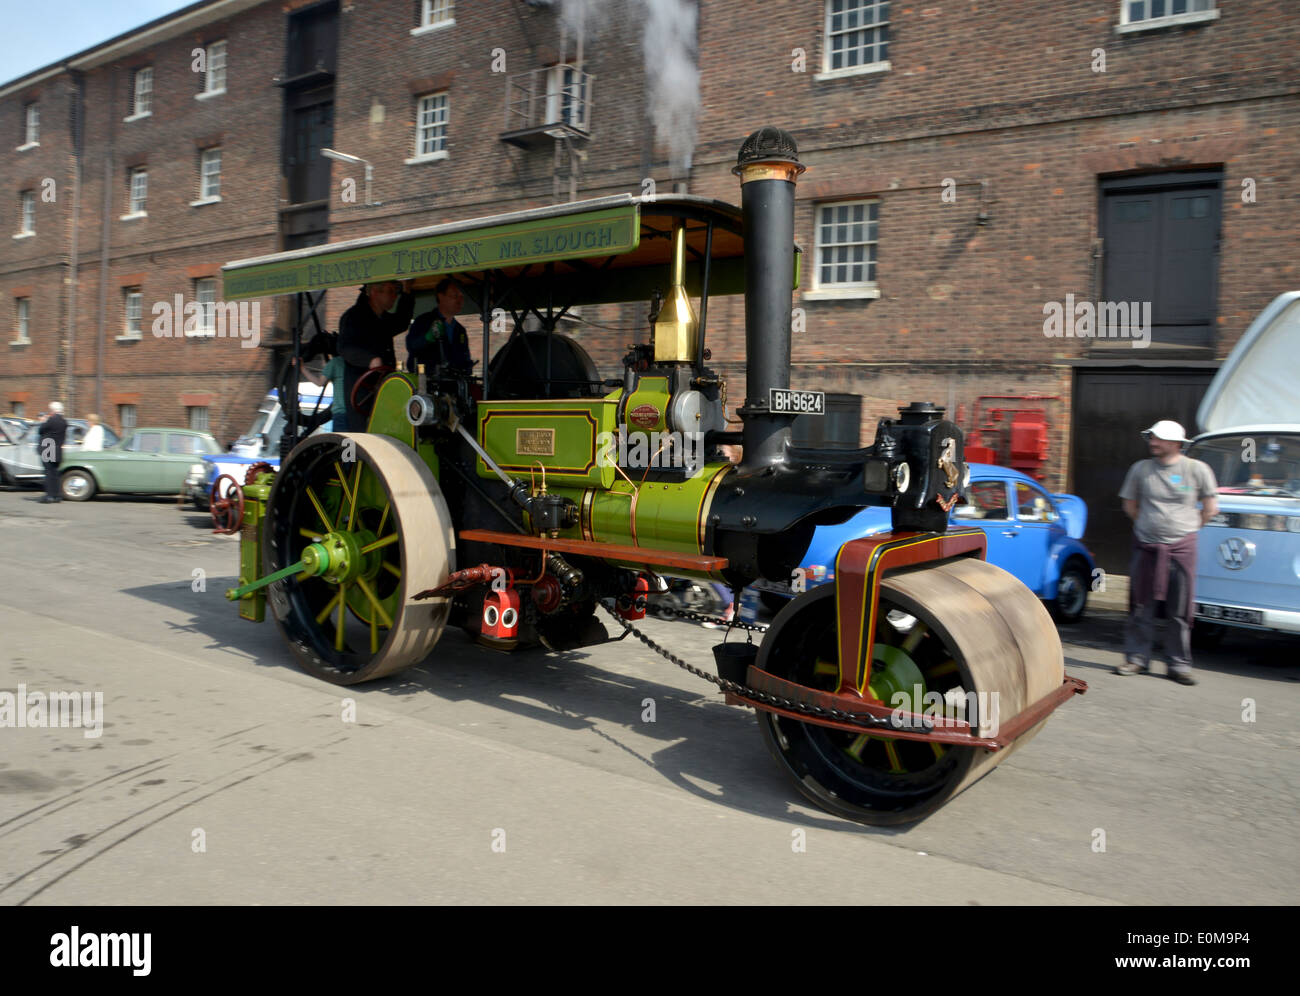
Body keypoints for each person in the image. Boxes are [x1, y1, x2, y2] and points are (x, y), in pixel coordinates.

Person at [1116, 419, 1219, 685]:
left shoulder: (1197, 470)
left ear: (1175, 444)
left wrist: (1186, 530)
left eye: (1158, 438)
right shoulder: (1140, 469)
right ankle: (1136, 659)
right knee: (1141, 605)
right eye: (1151, 437)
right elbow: (1130, 505)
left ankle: (1178, 665)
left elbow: (1210, 508)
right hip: (1146, 546)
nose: (1152, 442)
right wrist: (1148, 528)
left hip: (1183, 548)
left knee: (1180, 609)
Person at [337, 279, 415, 427]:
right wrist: (370, 360)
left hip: (383, 389)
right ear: (374, 292)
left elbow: (402, 321)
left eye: (395, 292)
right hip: (361, 393)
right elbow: (345, 347)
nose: (394, 296)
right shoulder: (353, 317)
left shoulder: (383, 319)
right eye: (390, 291)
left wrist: (407, 293)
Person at [406, 278, 473, 375]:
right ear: (441, 296)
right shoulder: (423, 321)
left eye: (461, 296)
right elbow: (411, 346)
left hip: (453, 384)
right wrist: (427, 338)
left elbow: (464, 358)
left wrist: (468, 369)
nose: (459, 300)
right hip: (427, 382)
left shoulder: (460, 330)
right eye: (455, 295)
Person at [296, 354, 350, 431]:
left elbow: (319, 382)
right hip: (358, 412)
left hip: (341, 412)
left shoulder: (335, 362)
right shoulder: (361, 362)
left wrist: (302, 368)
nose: (323, 365)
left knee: (345, 442)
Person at [37, 402, 68, 504]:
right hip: (58, 449)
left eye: (50, 410)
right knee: (55, 473)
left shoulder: (51, 420)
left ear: (53, 411)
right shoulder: (64, 422)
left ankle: (49, 496)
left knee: (48, 473)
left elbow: (41, 430)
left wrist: (43, 421)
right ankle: (57, 495)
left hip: (48, 448)